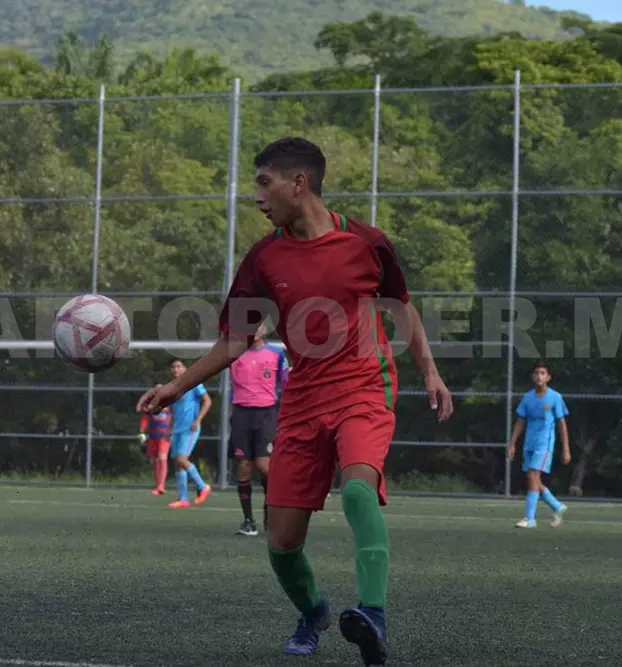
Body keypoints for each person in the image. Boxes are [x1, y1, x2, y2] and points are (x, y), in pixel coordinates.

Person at [138, 137, 453, 666]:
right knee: (281, 543)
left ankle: (373, 615)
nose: (257, 196)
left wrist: (430, 371)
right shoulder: (263, 258)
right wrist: (177, 386)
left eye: (265, 183)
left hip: (364, 387)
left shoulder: (367, 242)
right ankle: (314, 612)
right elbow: (235, 340)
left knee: (358, 491)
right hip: (303, 401)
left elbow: (402, 307)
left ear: (299, 183)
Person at [229, 321, 289, 536]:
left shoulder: (276, 353)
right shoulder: (233, 353)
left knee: (265, 466)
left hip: (266, 414)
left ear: (264, 329)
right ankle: (248, 521)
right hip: (241, 413)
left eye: (258, 325)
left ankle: (269, 511)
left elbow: (286, 384)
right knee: (243, 466)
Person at [506, 362, 571, 528]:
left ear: (548, 377)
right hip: (529, 444)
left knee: (533, 475)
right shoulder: (528, 398)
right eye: (536, 373)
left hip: (545, 444)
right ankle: (557, 506)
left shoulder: (555, 397)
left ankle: (530, 519)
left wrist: (566, 448)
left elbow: (561, 424)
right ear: (532, 377)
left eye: (542, 373)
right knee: (533, 478)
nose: (539, 376)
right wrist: (512, 444)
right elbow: (520, 421)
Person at [166, 357, 212, 509]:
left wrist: (198, 420)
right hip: (177, 429)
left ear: (185, 368)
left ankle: (202, 486)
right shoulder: (172, 387)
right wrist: (170, 429)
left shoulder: (193, 382)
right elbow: (173, 410)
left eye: (179, 366)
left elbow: (207, 401)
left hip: (189, 428)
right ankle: (183, 499)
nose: (176, 369)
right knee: (177, 463)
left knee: (181, 459)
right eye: (173, 367)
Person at [139, 405, 172, 495]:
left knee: (162, 458)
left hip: (165, 436)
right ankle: (158, 485)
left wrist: (172, 431)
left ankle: (161, 486)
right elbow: (145, 417)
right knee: (154, 460)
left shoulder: (170, 403)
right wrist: (142, 431)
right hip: (153, 436)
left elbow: (174, 417)